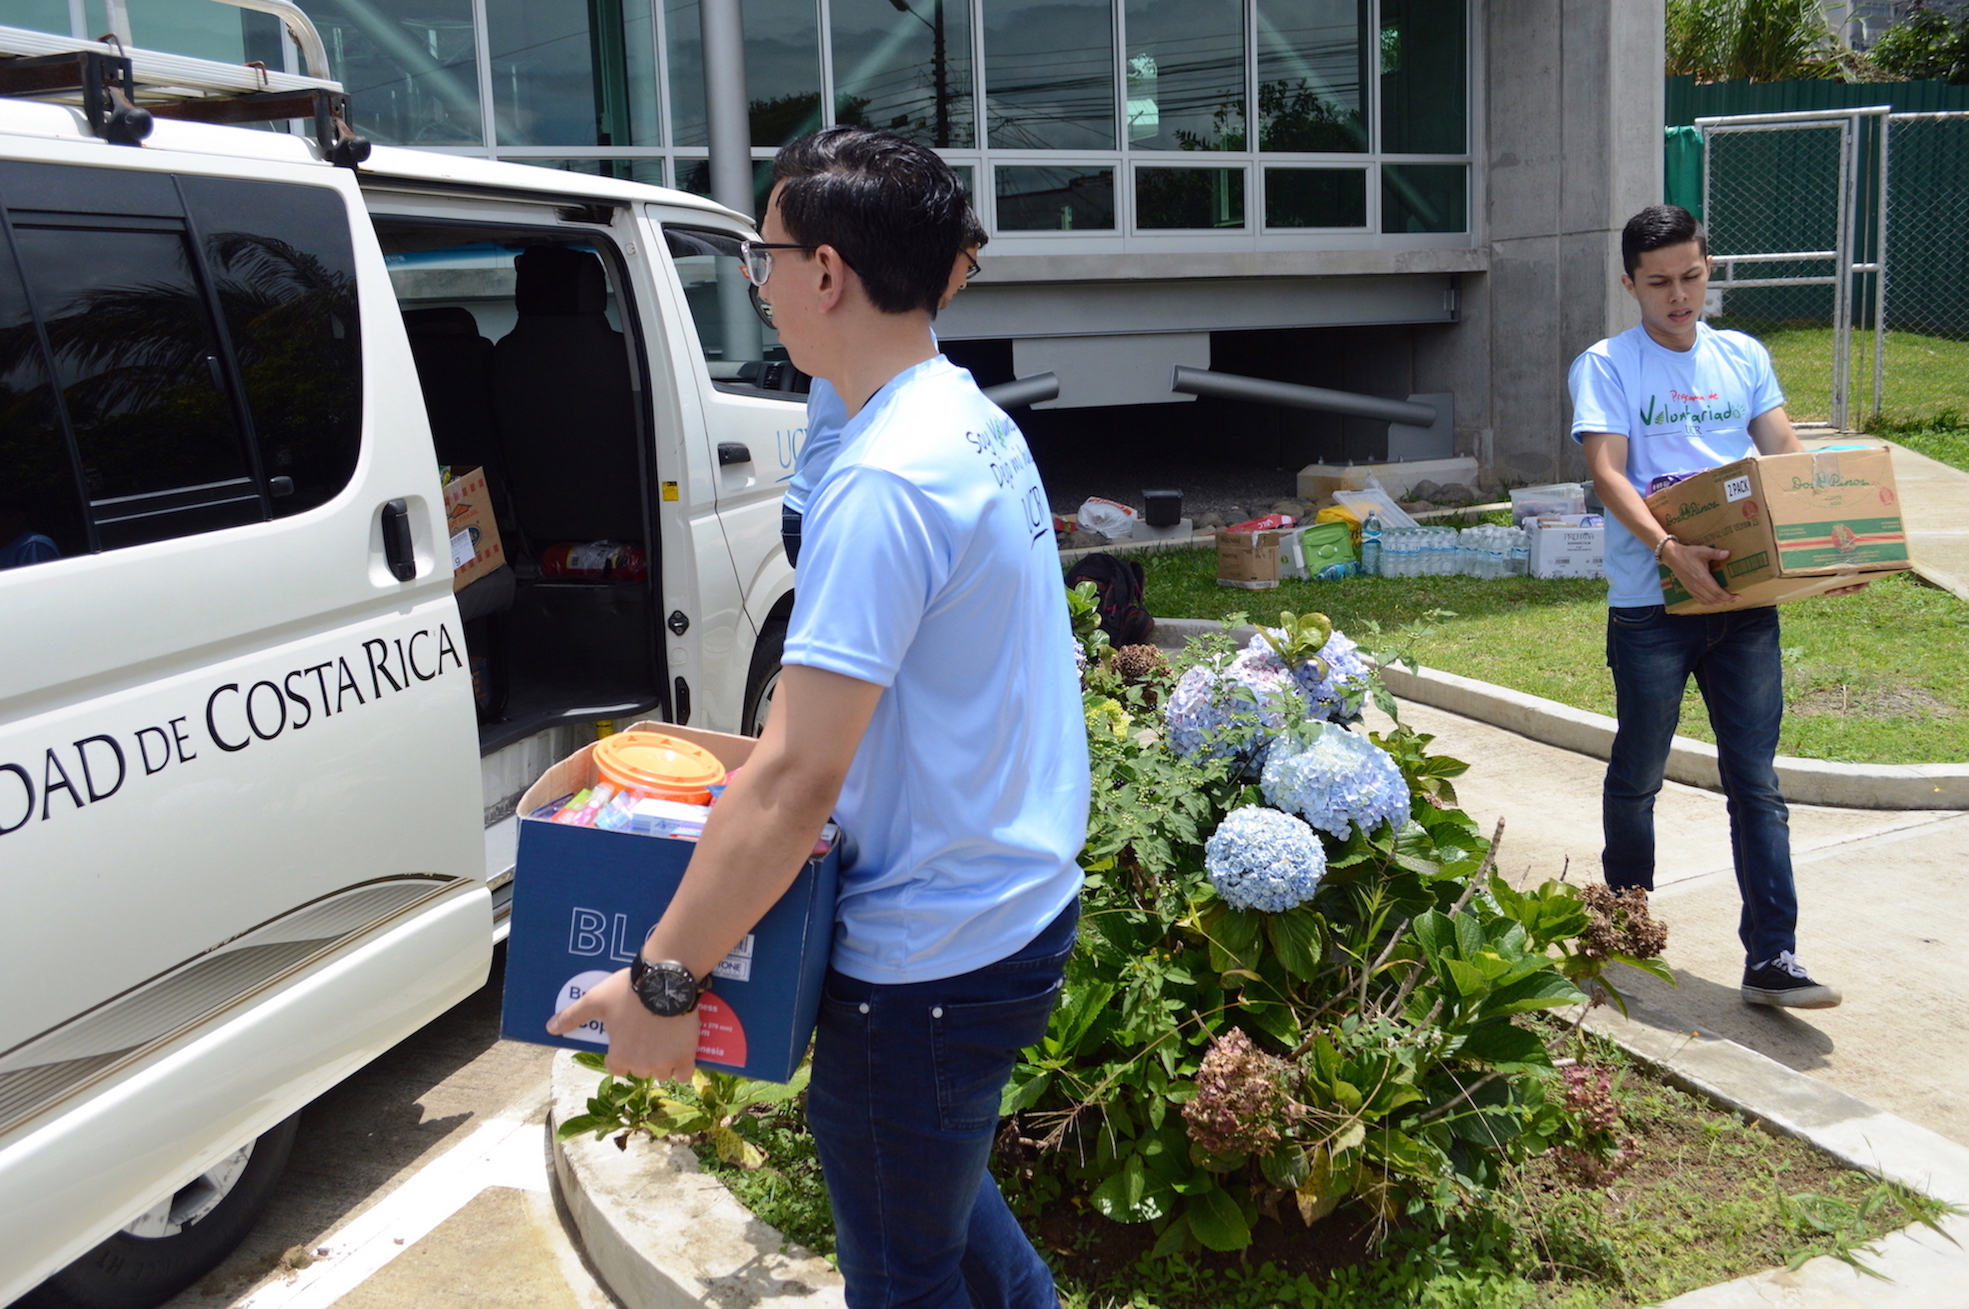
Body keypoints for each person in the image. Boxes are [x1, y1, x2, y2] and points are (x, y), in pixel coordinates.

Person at [549, 127, 1089, 1308]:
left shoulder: (886, 476)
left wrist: (660, 985)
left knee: (902, 1268)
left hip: (926, 958)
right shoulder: (963, 415)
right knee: (934, 1198)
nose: (761, 280)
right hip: (1006, 900)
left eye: (765, 254)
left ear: (828, 271)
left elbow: (797, 781)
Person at [1569, 204, 1863, 1011]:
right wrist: (1668, 551)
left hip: (1744, 605)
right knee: (1638, 771)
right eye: (1658, 282)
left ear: (1708, 268)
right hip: (1651, 609)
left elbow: (1786, 459)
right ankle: (1623, 923)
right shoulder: (1605, 365)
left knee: (1755, 781)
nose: (1678, 295)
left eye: (1691, 276)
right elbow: (1609, 474)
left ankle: (1772, 956)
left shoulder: (1741, 357)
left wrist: (1829, 554)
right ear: (1628, 282)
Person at [780, 213, 986, 567]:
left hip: (822, 501)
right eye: (967, 266)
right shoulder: (883, 336)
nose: (965, 283)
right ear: (940, 255)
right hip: (830, 506)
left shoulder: (892, 331)